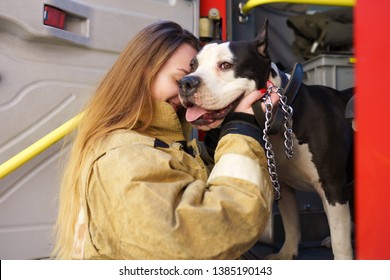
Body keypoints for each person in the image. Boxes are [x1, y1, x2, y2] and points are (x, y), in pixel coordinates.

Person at [52, 20, 276, 260]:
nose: (189, 94)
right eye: (183, 81)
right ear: (143, 71)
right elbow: (211, 235)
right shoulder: (121, 159)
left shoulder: (160, 144)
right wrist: (241, 129)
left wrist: (221, 130)